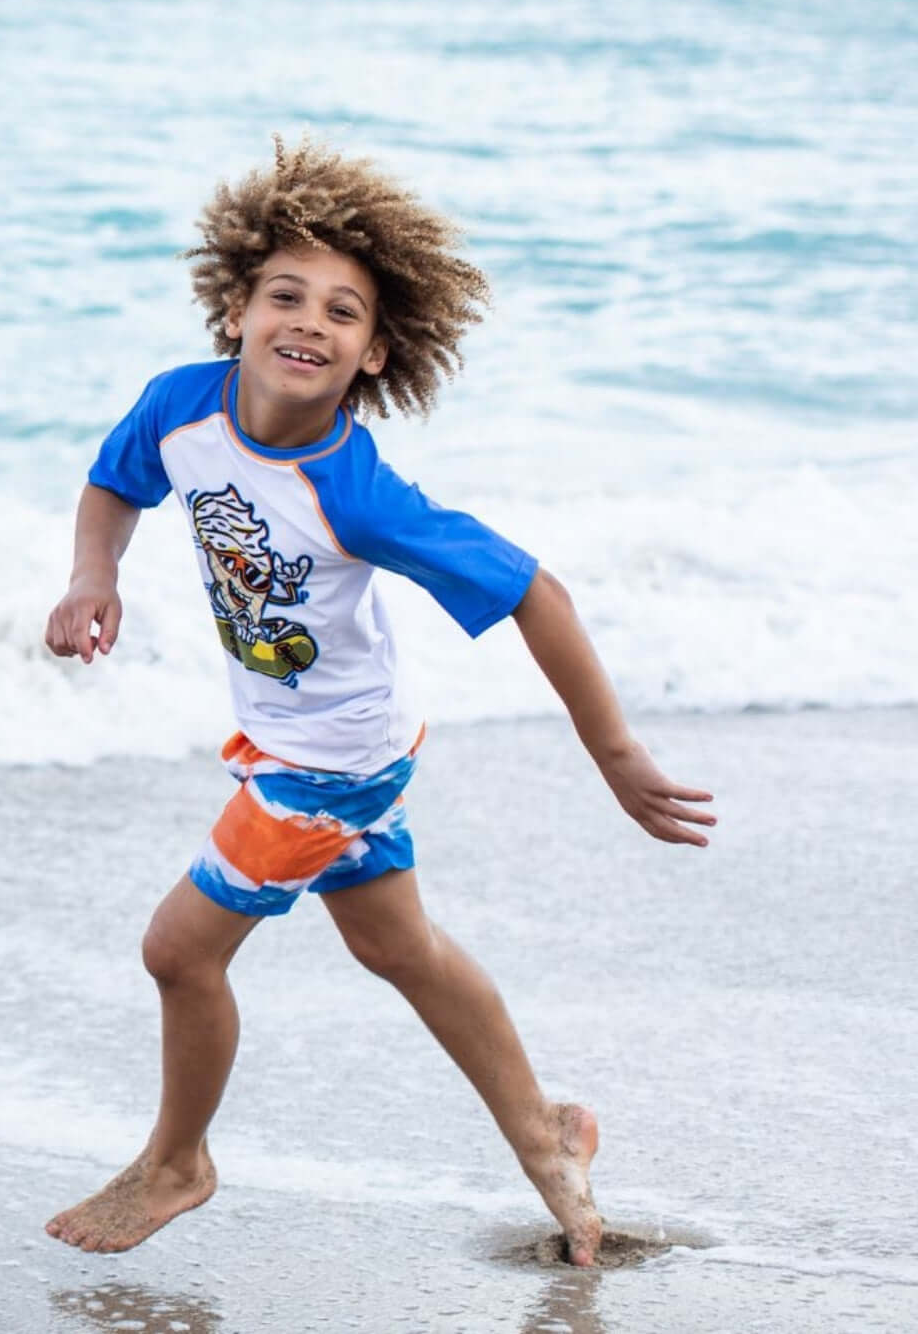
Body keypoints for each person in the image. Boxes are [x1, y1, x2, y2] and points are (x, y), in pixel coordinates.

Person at [42, 138, 715, 1268]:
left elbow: (534, 590)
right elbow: (114, 487)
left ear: (375, 353)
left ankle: (177, 1163)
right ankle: (546, 1132)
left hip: (335, 761)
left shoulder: (358, 492)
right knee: (398, 947)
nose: (308, 322)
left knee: (178, 954)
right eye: (285, 295)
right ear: (237, 308)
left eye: (342, 313)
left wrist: (615, 754)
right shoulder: (179, 408)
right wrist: (91, 575)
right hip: (296, 736)